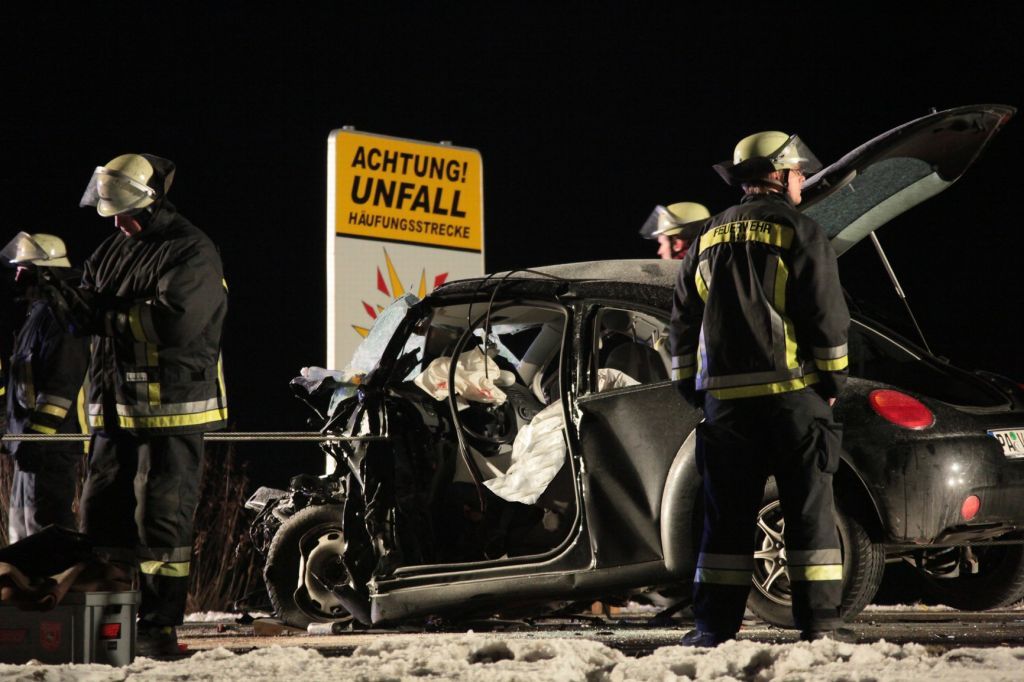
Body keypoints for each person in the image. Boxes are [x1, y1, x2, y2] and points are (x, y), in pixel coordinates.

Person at [670, 131, 851, 645]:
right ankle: (819, 627)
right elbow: (826, 317)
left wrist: (694, 389)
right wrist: (832, 381)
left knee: (725, 520)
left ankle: (713, 628)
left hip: (726, 408)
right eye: (797, 173)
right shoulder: (800, 231)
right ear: (778, 173)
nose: (801, 181)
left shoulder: (706, 237)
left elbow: (682, 323)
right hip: (793, 400)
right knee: (808, 516)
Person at [69, 153, 228, 656]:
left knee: (160, 522)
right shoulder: (113, 250)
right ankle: (107, 621)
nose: (118, 223)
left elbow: (174, 322)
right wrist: (62, 299)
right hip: (115, 409)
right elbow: (89, 302)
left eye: (126, 214)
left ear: (152, 203)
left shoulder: (191, 250)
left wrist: (104, 316)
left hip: (172, 410)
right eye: (112, 214)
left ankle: (158, 627)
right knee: (101, 516)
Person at [0, 232, 89, 543]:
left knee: (48, 535)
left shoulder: (60, 318)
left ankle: (60, 576)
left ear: (46, 272)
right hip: (29, 446)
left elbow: (60, 386)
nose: (17, 277)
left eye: (24, 269)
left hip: (50, 448)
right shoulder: (37, 316)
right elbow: (22, 387)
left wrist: (38, 438)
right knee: (22, 535)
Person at [639, 202, 711, 260]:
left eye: (662, 244)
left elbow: (679, 272)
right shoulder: (708, 257)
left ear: (678, 244)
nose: (659, 252)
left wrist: (668, 259)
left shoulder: (693, 263)